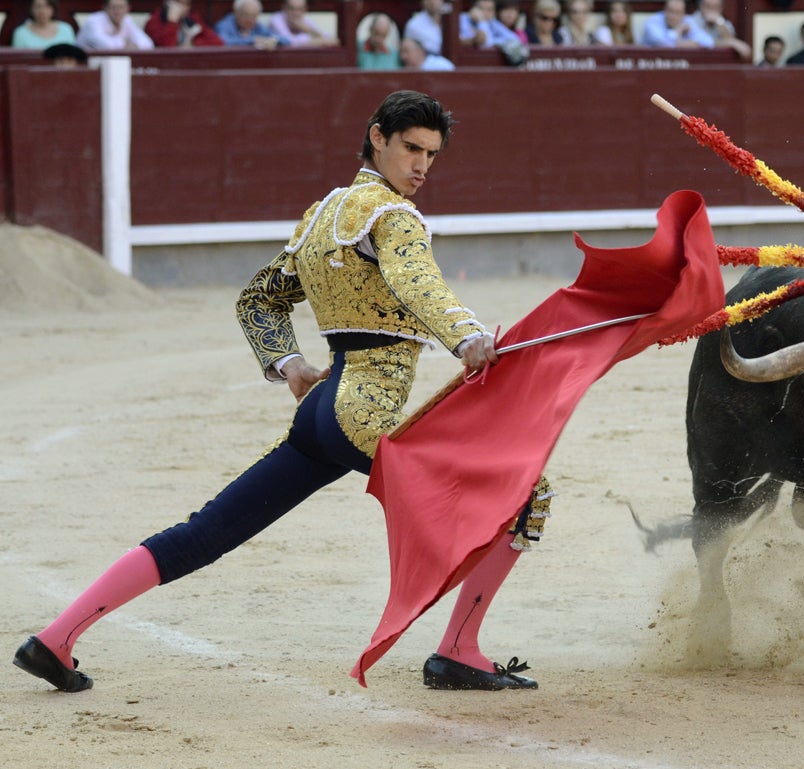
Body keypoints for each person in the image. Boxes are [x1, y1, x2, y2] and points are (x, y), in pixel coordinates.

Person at [12, 90, 550, 695]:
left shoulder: (322, 216)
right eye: (411, 148)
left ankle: (55, 639)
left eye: (431, 153)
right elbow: (415, 282)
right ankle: (457, 650)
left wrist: (290, 363)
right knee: (524, 492)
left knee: (207, 531)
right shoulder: (395, 217)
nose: (422, 165)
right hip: (364, 412)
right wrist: (468, 337)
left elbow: (258, 300)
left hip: (321, 414)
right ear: (377, 138)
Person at [76, 0, 155, 50]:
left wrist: (135, 46)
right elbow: (107, 47)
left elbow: (148, 44)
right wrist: (127, 45)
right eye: (113, 7)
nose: (117, 11)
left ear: (128, 9)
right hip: (85, 65)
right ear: (105, 8)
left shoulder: (127, 20)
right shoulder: (93, 21)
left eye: (121, 7)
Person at [145, 0, 225, 48]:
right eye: (179, 2)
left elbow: (218, 43)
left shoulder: (192, 18)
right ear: (167, 2)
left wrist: (194, 44)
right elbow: (168, 49)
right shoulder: (155, 21)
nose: (182, 8)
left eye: (186, 4)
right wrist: (172, 22)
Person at [640, 0, 714, 48]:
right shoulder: (652, 22)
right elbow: (664, 44)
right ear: (664, 10)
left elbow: (709, 42)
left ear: (683, 14)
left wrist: (682, 44)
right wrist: (678, 31)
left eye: (678, 12)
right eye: (671, 11)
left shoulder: (687, 20)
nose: (673, 16)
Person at [11, 0, 77, 50]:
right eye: (38, 6)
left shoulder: (66, 29)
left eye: (47, 6)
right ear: (31, 9)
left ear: (53, 8)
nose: (42, 11)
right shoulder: (21, 33)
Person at [215, 0, 282, 49]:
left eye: (254, 16)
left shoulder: (257, 26)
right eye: (246, 15)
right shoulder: (224, 25)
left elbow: (285, 39)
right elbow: (222, 42)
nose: (250, 20)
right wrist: (253, 40)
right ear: (236, 13)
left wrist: (273, 41)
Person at [269, 0, 338, 47]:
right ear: (284, 8)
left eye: (300, 9)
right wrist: (320, 41)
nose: (296, 13)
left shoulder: (306, 21)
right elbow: (289, 43)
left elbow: (333, 40)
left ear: (305, 10)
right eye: (292, 9)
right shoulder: (276, 19)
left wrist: (309, 30)